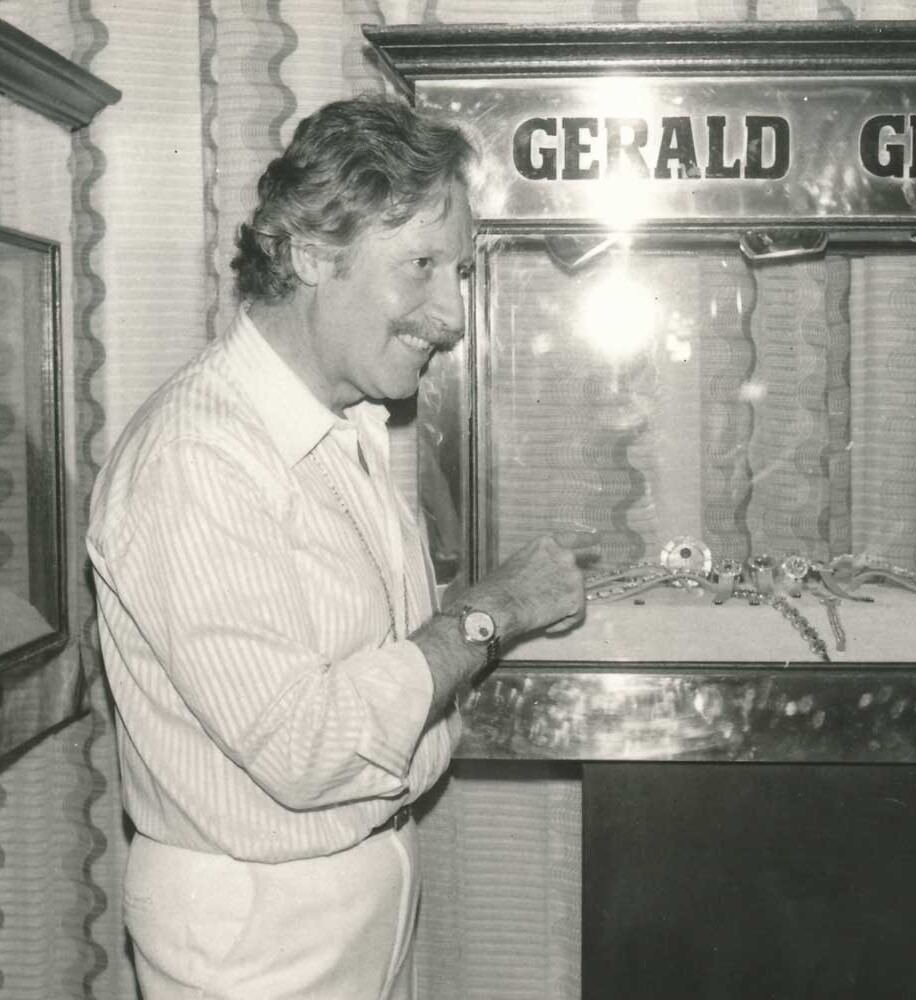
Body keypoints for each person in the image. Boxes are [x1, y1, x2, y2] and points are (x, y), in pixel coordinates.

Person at [86, 95, 591, 999]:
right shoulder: (196, 458)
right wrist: (491, 614)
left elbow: (371, 665)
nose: (454, 314)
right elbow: (308, 747)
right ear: (312, 255)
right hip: (258, 934)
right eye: (422, 266)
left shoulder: (343, 419)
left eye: (458, 271)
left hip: (351, 900)